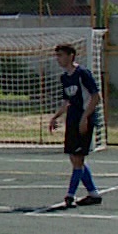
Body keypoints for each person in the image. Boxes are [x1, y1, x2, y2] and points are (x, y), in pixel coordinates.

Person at [47, 42, 104, 208]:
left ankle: (70, 195)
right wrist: (55, 117)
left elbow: (95, 97)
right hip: (72, 120)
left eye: (61, 55)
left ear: (70, 56)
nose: (58, 59)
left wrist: (85, 118)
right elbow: (67, 102)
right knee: (74, 158)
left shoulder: (82, 73)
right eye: (57, 55)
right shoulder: (65, 77)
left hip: (83, 119)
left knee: (78, 158)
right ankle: (93, 193)